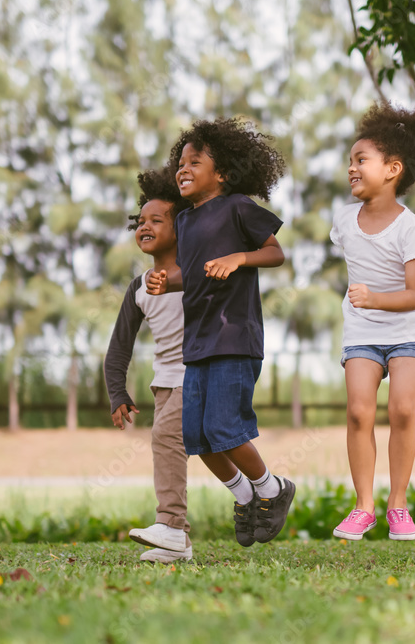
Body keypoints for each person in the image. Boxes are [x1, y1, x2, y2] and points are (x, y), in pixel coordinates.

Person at [147, 118, 295, 548]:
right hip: (198, 344)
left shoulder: (237, 207)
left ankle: (273, 489)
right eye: (181, 162)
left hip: (234, 338)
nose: (184, 168)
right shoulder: (187, 222)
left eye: (196, 161)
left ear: (223, 173)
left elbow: (275, 253)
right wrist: (167, 280)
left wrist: (239, 258)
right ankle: (246, 494)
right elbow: (190, 274)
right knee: (197, 435)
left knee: (224, 426)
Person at [329, 101, 415, 542]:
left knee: (401, 409)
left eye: (361, 160)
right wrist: (366, 305)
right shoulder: (344, 219)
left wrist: (374, 298)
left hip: (409, 327)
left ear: (392, 168)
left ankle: (398, 505)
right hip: (363, 328)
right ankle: (364, 508)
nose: (352, 169)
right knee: (359, 411)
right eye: (351, 162)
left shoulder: (410, 227)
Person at [104, 168, 194, 563]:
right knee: (173, 443)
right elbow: (119, 346)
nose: (145, 226)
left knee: (166, 440)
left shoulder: (198, 272)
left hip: (201, 373)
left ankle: (172, 525)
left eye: (157, 220)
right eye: (141, 221)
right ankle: (179, 544)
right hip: (165, 382)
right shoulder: (139, 287)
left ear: (182, 226)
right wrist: (117, 392)